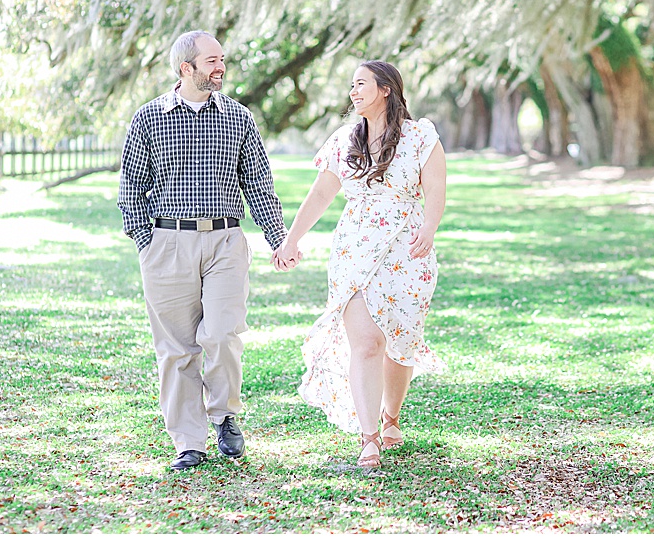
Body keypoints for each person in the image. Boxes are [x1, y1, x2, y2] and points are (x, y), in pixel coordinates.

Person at [118, 30, 296, 470]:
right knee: (177, 349)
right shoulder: (148, 118)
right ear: (186, 68)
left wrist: (279, 239)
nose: (220, 67)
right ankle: (188, 442)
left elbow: (258, 183)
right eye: (212, 61)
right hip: (167, 243)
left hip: (225, 241)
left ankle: (225, 415)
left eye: (222, 60)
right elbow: (130, 190)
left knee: (221, 334)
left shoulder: (238, 117)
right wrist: (149, 243)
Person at [272, 60, 447, 467]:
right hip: (354, 247)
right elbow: (320, 195)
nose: (353, 92)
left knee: (400, 344)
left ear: (386, 89)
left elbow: (436, 188)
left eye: (361, 84)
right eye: (351, 85)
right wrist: (291, 239)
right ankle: (369, 438)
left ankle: (391, 416)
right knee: (366, 342)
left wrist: (430, 228)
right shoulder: (342, 141)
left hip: (408, 248)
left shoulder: (421, 135)